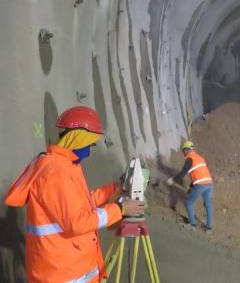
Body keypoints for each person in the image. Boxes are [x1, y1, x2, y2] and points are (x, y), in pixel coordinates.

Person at [4, 106, 145, 283]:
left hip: (71, 267)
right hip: (62, 273)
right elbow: (77, 222)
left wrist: (115, 188)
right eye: (91, 143)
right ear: (78, 139)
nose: (91, 150)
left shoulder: (66, 166)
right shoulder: (56, 173)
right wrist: (120, 209)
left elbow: (83, 203)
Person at [167, 141, 213, 233]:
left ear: (186, 150)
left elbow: (183, 172)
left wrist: (173, 180)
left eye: (183, 151)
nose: (183, 153)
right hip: (209, 183)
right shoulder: (199, 158)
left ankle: (192, 225)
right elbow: (198, 173)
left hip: (200, 184)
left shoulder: (190, 158)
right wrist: (191, 188)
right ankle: (208, 229)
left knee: (188, 203)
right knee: (208, 205)